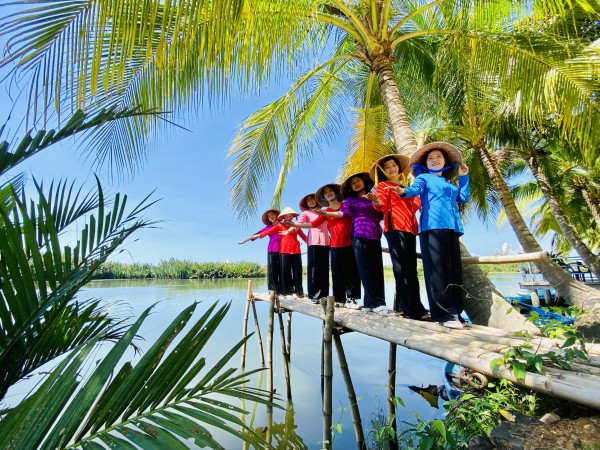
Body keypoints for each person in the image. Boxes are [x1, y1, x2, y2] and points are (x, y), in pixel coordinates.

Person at [392, 142, 470, 329]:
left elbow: (463, 198)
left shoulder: (448, 183)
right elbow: (414, 190)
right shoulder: (424, 178)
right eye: (431, 158)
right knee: (438, 272)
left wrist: (464, 178)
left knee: (453, 271)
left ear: (445, 161)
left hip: (452, 227)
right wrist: (403, 191)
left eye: (439, 157)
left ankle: (456, 312)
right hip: (432, 227)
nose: (435, 160)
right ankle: (443, 314)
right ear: (425, 163)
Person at [315, 173, 390, 315]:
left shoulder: (372, 197)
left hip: (374, 234)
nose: (356, 184)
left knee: (377, 269)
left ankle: (369, 303)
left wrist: (377, 202)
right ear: (350, 188)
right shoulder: (350, 200)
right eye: (352, 183)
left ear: (364, 182)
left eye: (358, 181)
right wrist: (327, 214)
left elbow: (382, 212)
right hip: (360, 234)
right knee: (366, 270)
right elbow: (341, 214)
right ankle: (377, 303)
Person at [370, 154, 430, 320]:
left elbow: (416, 204)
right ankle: (414, 310)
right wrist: (377, 202)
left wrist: (405, 192)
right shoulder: (383, 185)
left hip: (409, 228)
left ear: (399, 167)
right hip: (395, 227)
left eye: (393, 165)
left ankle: (405, 306)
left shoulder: (407, 186)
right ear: (383, 170)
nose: (391, 168)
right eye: (387, 166)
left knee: (409, 268)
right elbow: (381, 206)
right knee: (404, 269)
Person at [289, 184, 361, 308]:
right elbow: (313, 224)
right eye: (325, 193)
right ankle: (339, 299)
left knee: (352, 271)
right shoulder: (325, 212)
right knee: (337, 273)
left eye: (330, 191)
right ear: (324, 198)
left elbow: (345, 215)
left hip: (350, 242)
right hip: (334, 244)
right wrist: (295, 226)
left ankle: (351, 298)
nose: (328, 193)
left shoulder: (346, 205)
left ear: (337, 193)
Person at [256, 207, 307, 297]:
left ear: (292, 216)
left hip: (296, 249)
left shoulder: (296, 225)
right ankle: (286, 291)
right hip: (284, 250)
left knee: (297, 272)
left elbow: (303, 237)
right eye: (286, 215)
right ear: (283, 217)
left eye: (290, 214)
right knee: (285, 272)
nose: (288, 216)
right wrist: (256, 236)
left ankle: (299, 291)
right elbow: (268, 231)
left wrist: (312, 244)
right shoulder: (280, 225)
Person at [296, 193, 330, 303]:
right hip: (313, 241)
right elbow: (298, 224)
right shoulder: (306, 213)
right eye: (308, 200)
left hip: (325, 241)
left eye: (313, 199)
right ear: (306, 203)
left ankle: (324, 294)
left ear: (317, 200)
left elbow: (330, 226)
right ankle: (313, 293)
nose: (311, 201)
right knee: (314, 268)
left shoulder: (324, 211)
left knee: (324, 268)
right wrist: (289, 229)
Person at [239, 208, 282, 294]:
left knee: (282, 269)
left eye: (272, 215)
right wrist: (245, 240)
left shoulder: (283, 224)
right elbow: (256, 235)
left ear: (276, 215)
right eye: (269, 216)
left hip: (283, 250)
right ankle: (273, 290)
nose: (271, 217)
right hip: (272, 250)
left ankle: (283, 289)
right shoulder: (268, 227)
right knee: (272, 271)